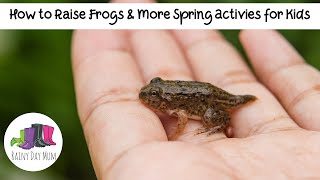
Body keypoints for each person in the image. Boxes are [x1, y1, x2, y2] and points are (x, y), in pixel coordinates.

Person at [72, 28, 320, 179]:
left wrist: (178, 135)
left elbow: (180, 117)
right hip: (202, 91)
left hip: (211, 99)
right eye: (154, 93)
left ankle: (218, 125)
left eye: (155, 96)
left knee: (214, 115)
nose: (151, 97)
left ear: (163, 99)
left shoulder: (174, 107)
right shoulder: (168, 101)